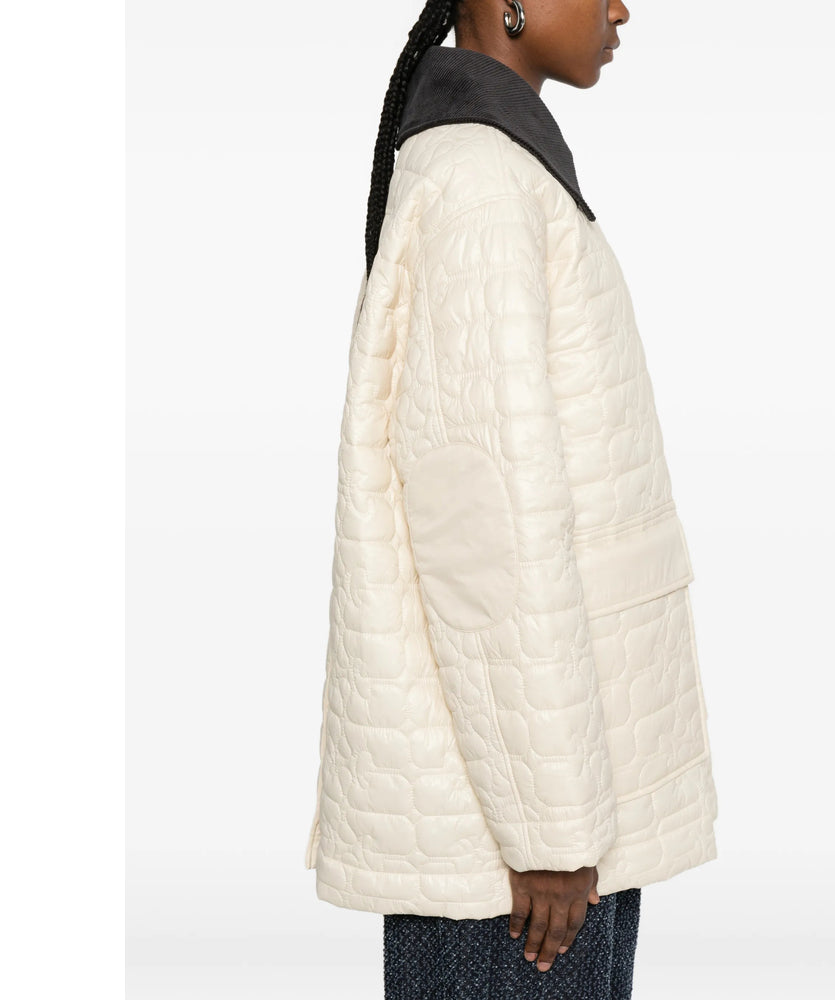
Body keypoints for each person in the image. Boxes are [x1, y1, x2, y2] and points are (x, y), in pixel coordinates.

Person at [304, 2, 720, 996]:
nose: (620, 8)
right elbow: (483, 530)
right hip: (519, 854)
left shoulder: (499, 172)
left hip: (555, 813)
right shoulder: (483, 186)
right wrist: (549, 828)